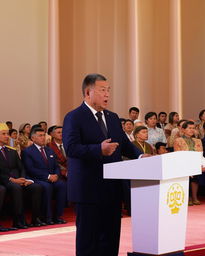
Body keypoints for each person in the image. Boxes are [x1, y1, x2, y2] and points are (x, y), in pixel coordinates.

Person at [62, 74, 144, 256]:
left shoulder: (113, 117)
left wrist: (141, 156)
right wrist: (98, 149)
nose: (107, 94)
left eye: (108, 90)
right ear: (87, 92)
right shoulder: (74, 117)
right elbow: (71, 148)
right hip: (88, 188)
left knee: (110, 237)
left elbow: (125, 145)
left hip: (112, 188)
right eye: (102, 90)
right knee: (88, 240)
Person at [0, 123, 44, 229]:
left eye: (7, 134)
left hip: (18, 180)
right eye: (4, 134)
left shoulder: (11, 150)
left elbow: (21, 167)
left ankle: (35, 219)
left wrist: (24, 179)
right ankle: (19, 221)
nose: (7, 136)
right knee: (16, 188)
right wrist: (12, 180)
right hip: (5, 180)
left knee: (36, 187)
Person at [22, 128, 67, 225]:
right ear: (33, 138)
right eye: (40, 136)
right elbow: (30, 169)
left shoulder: (49, 150)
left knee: (62, 185)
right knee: (47, 187)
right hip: (37, 178)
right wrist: (48, 176)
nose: (43, 138)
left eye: (44, 135)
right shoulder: (27, 151)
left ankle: (57, 216)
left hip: (52, 178)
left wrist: (56, 175)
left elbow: (56, 166)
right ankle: (47, 217)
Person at [174, 121, 205, 205]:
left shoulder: (198, 141)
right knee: (191, 172)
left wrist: (201, 166)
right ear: (183, 130)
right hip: (183, 164)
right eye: (189, 128)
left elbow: (200, 156)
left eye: (193, 128)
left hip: (198, 162)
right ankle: (189, 197)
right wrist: (194, 166)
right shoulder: (178, 140)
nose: (192, 130)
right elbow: (179, 157)